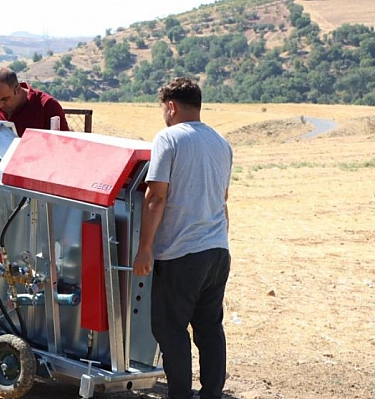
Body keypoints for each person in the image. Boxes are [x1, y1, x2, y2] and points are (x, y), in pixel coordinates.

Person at [132, 77, 233, 399]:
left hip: (180, 252)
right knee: (209, 327)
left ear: (171, 106)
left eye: (163, 108)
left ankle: (179, 394)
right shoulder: (221, 143)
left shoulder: (168, 139)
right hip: (217, 250)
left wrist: (145, 249)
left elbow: (155, 197)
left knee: (169, 327)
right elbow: (224, 197)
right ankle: (212, 393)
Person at [0, 67, 69, 166]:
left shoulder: (47, 106)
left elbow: (65, 145)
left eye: (5, 99)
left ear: (18, 89)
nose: (0, 105)